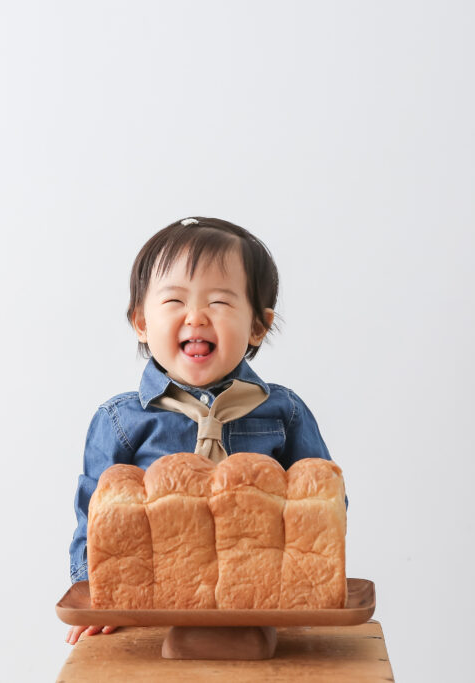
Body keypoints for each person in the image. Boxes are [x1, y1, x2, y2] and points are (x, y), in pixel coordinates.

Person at [65, 216, 333, 645]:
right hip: (150, 614)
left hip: (260, 608)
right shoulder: (120, 420)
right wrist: (94, 594)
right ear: (141, 323)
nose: (196, 316)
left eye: (221, 303)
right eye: (173, 301)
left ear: (258, 326)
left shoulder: (285, 413)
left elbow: (322, 510)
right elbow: (92, 519)